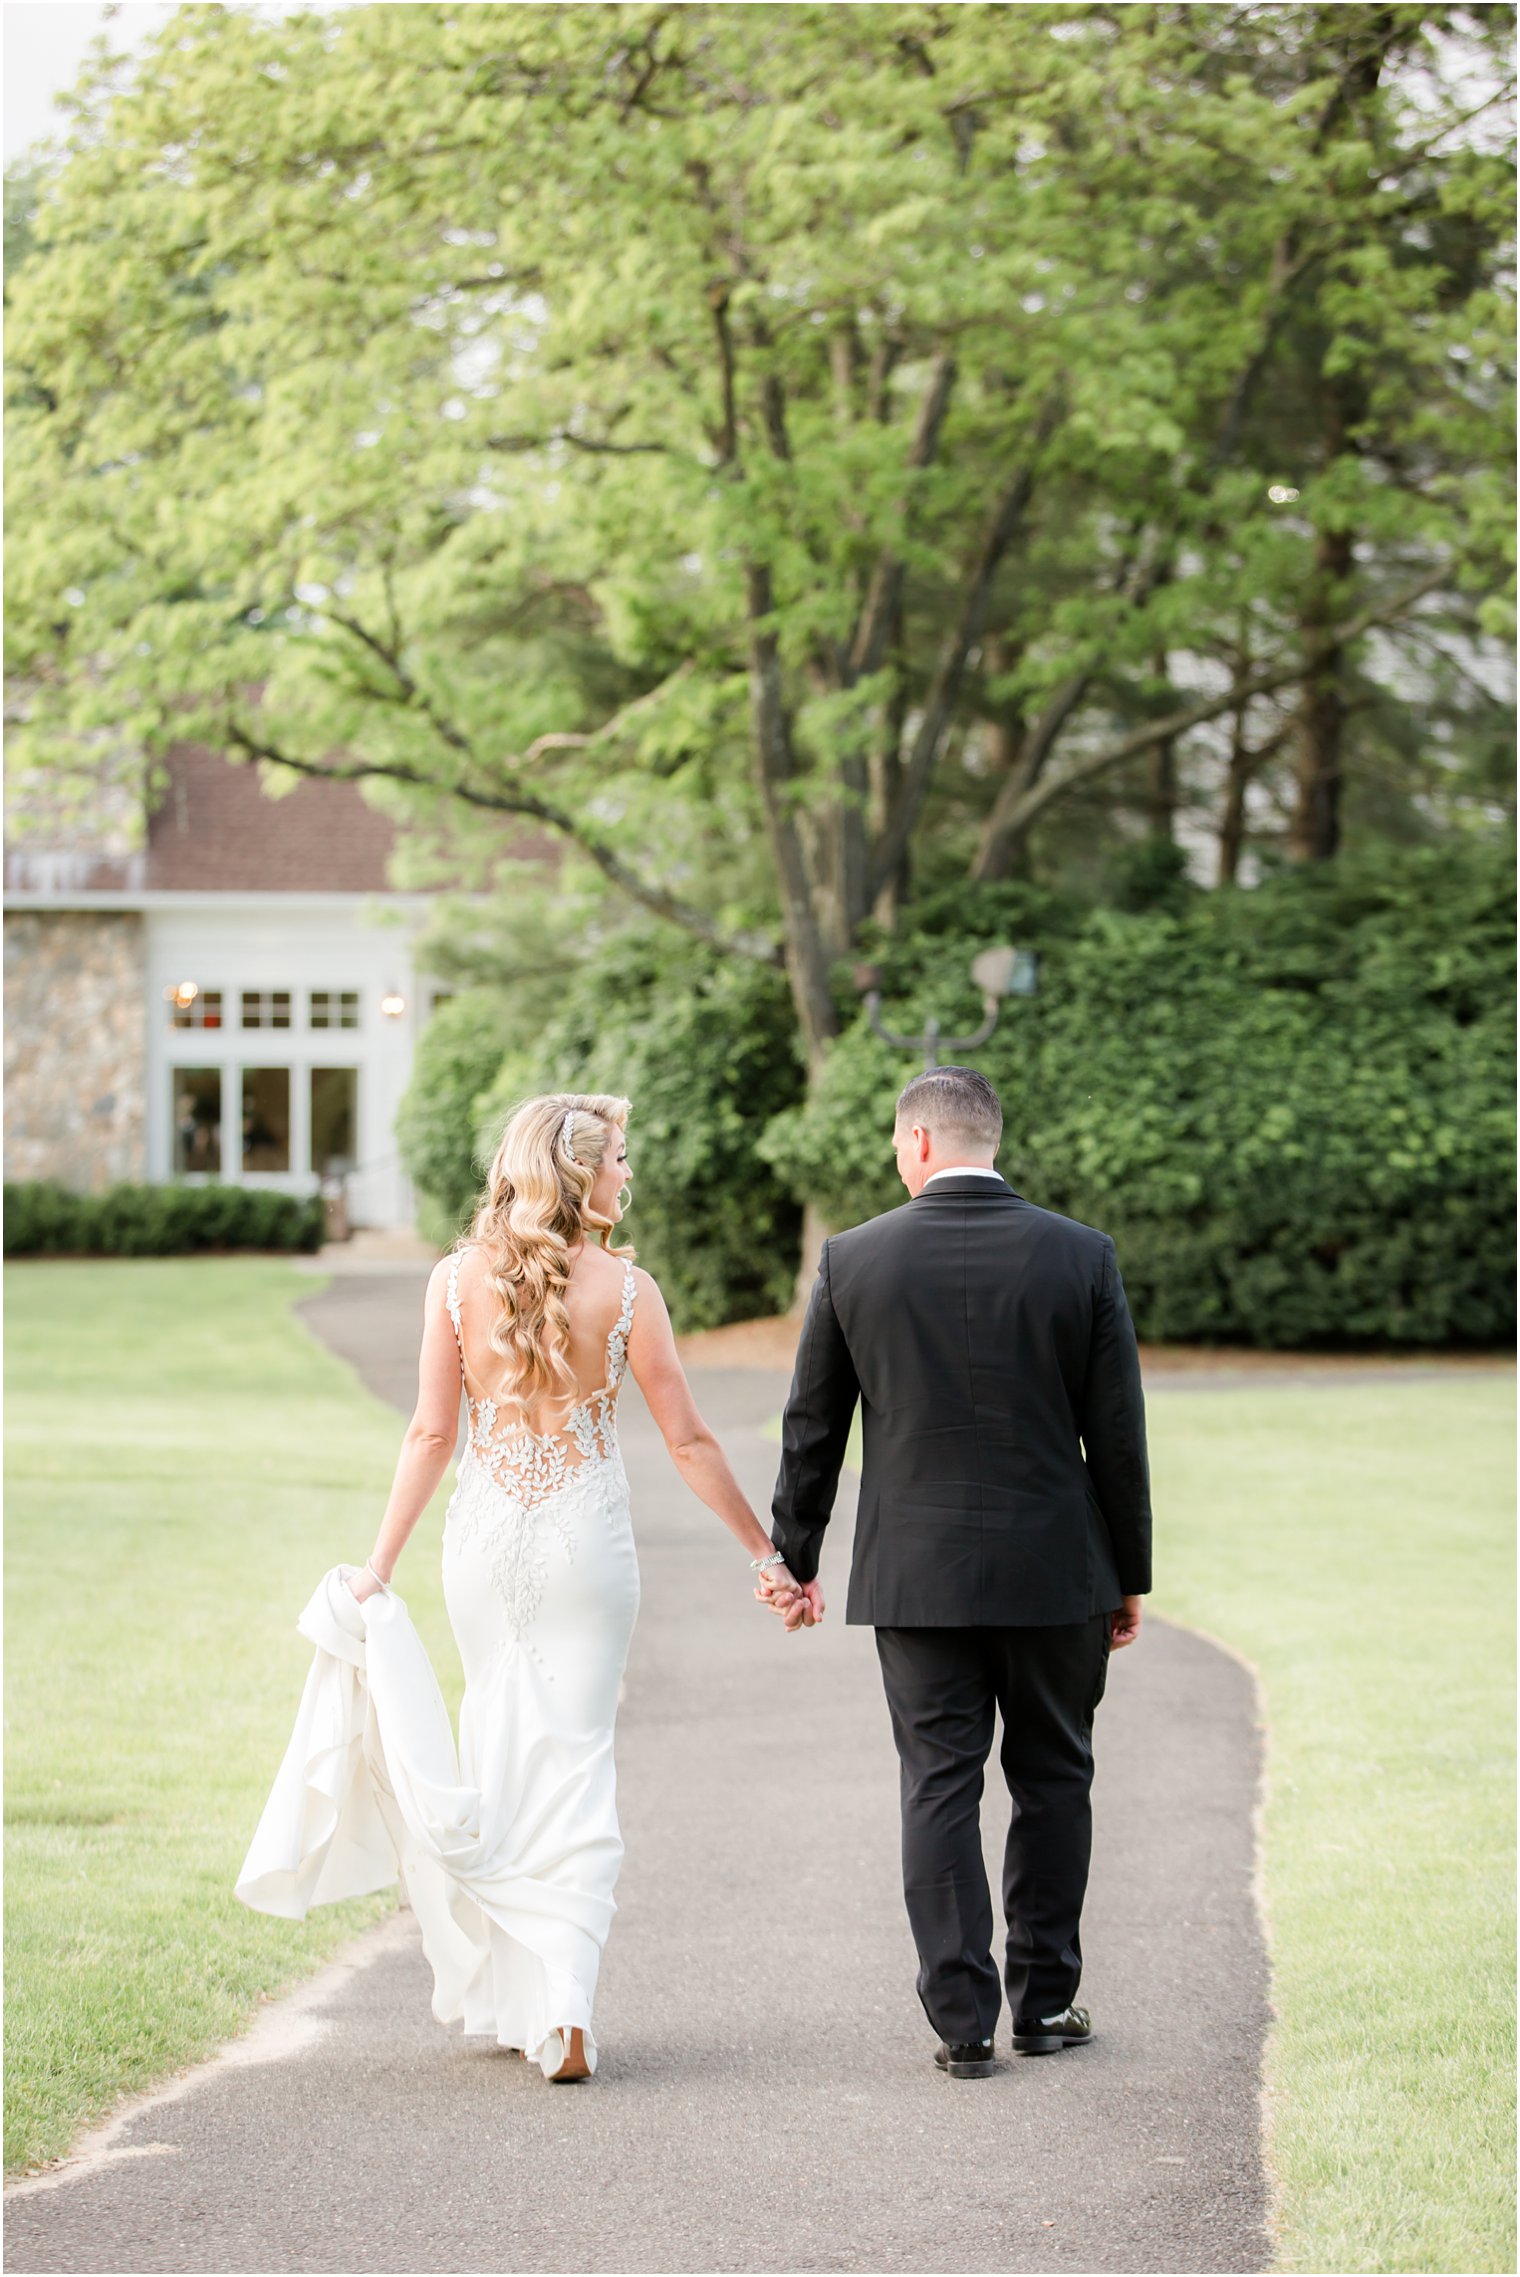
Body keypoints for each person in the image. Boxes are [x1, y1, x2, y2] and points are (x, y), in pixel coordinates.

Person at [242, 1092, 801, 2082]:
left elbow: (429, 1434)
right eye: (619, 1160)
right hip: (585, 1542)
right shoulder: (628, 1290)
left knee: (497, 1740)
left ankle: (527, 1997)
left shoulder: (455, 1281)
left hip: (486, 1542)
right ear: (580, 1174)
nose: (627, 1175)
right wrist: (764, 1553)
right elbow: (687, 1439)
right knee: (574, 1758)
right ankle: (563, 2008)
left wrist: (379, 1566)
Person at [762, 1065, 1151, 2079]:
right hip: (1054, 1568)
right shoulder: (1081, 1256)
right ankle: (1046, 2001)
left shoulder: (853, 1260)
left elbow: (813, 1424)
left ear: (920, 1144)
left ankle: (961, 2022)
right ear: (988, 1139)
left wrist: (791, 1556)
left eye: (897, 1145)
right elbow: (1115, 1435)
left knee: (936, 1783)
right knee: (1052, 1778)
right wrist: (1128, 1572)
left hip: (916, 1575)